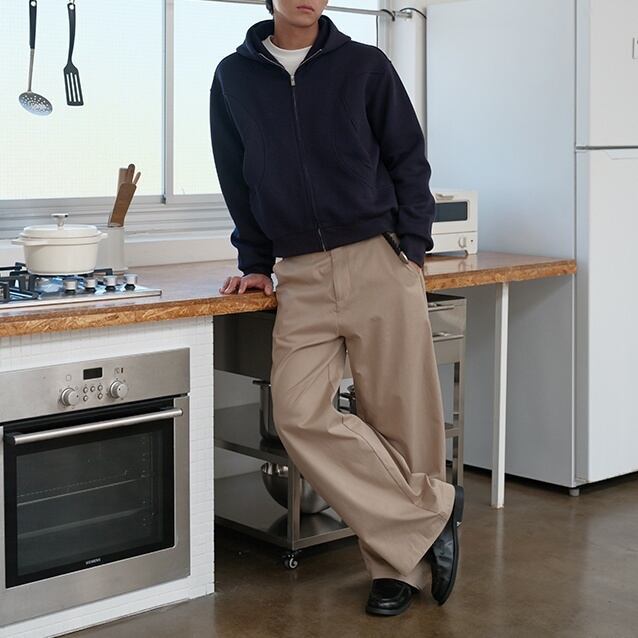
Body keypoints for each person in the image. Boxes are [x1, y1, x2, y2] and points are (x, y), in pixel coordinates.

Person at [210, 0, 464, 617]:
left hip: (378, 256)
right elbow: (236, 176)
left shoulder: (365, 65)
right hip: (299, 272)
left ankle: (396, 569)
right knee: (297, 413)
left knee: (400, 416)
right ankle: (430, 514)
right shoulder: (234, 76)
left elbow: (408, 157)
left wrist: (412, 244)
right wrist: (254, 260)